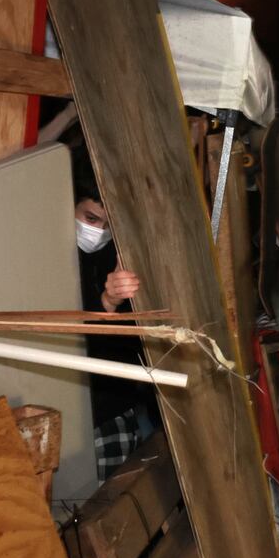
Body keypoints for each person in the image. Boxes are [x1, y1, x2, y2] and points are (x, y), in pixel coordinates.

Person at [73, 156, 159, 480]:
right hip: (80, 409)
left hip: (117, 406)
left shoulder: (117, 253)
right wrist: (107, 300)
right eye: (90, 218)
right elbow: (70, 333)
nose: (97, 232)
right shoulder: (47, 253)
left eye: (108, 226)